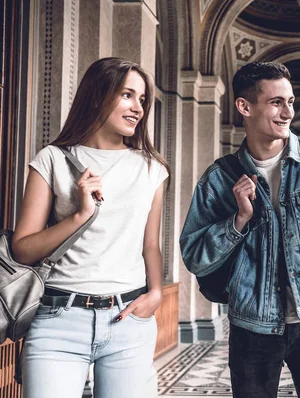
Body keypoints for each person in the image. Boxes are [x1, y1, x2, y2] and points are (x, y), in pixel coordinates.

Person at [180, 61, 300, 398]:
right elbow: (194, 257)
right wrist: (238, 221)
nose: (288, 112)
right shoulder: (219, 178)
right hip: (252, 327)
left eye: (290, 101)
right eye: (276, 102)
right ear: (245, 107)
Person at [12, 57, 169, 398]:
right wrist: (80, 215)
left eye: (142, 100)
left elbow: (150, 245)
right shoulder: (52, 159)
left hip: (128, 319)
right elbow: (22, 248)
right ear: (98, 96)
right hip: (58, 318)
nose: (138, 108)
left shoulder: (151, 169)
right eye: (127, 95)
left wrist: (155, 293)